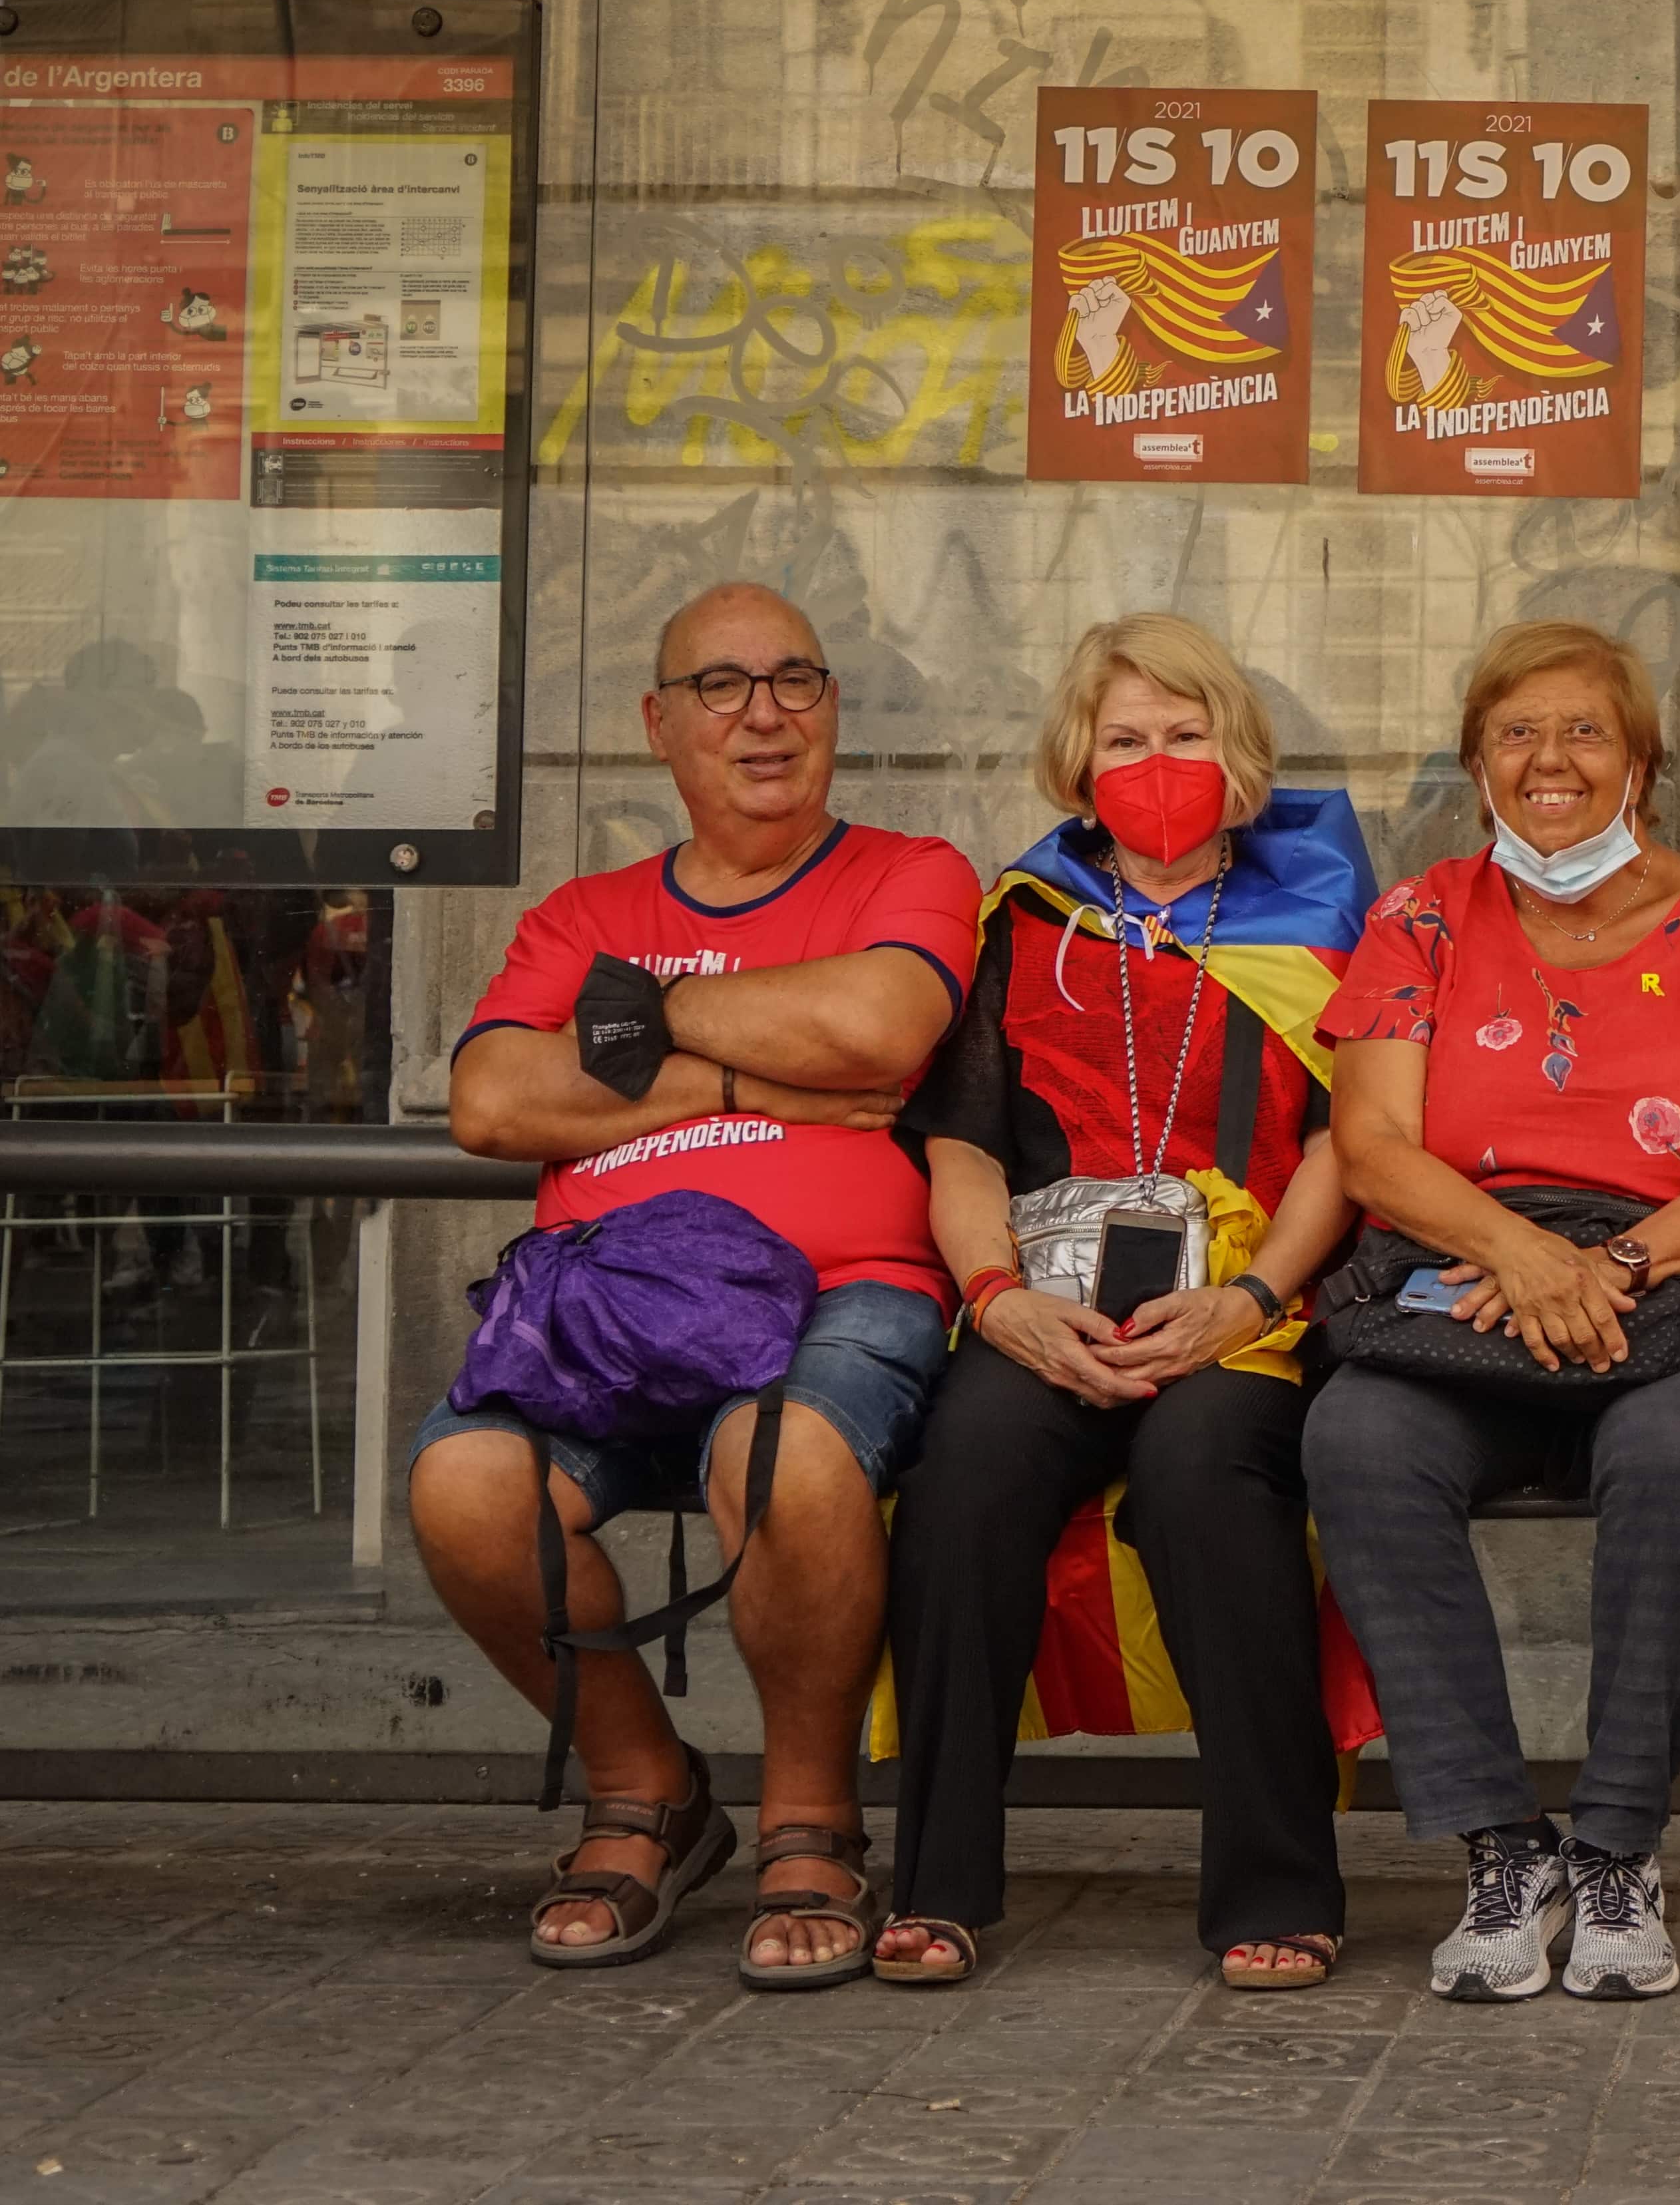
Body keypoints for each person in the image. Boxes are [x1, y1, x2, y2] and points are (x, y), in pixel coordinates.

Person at [415, 582, 979, 1983]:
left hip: (844, 1284)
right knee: (464, 1487)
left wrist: (627, 1022)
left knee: (778, 1452)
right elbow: (489, 1097)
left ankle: (811, 1813)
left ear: (835, 707)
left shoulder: (910, 874)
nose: (764, 712)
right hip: (604, 1299)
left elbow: (878, 1019)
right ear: (657, 725)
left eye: (796, 679)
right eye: (721, 686)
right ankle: (648, 1788)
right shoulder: (581, 911)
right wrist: (732, 1075)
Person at [1306, 620, 1680, 2005]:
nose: (1550, 760)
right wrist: (1524, 1259)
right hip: (1474, 1282)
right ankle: (1502, 1844)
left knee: (1665, 1454)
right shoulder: (1422, 916)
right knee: (1361, 1439)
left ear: (1642, 763)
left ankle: (1617, 1850)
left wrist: (1609, 1271)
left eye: (1584, 732)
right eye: (1515, 733)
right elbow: (1373, 1147)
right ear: (1477, 761)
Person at [871, 615, 1374, 1989]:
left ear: (1241, 751)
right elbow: (963, 1140)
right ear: (1077, 759)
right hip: (1045, 1303)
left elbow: (1352, 1142)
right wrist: (997, 1301)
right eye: (1127, 737)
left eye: (1188, 734)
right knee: (965, 1470)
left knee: (1206, 1472)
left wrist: (1260, 1295)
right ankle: (936, 1881)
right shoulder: (1024, 920)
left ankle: (1279, 1884)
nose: (1158, 762)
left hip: (1247, 1314)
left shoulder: (1333, 919)